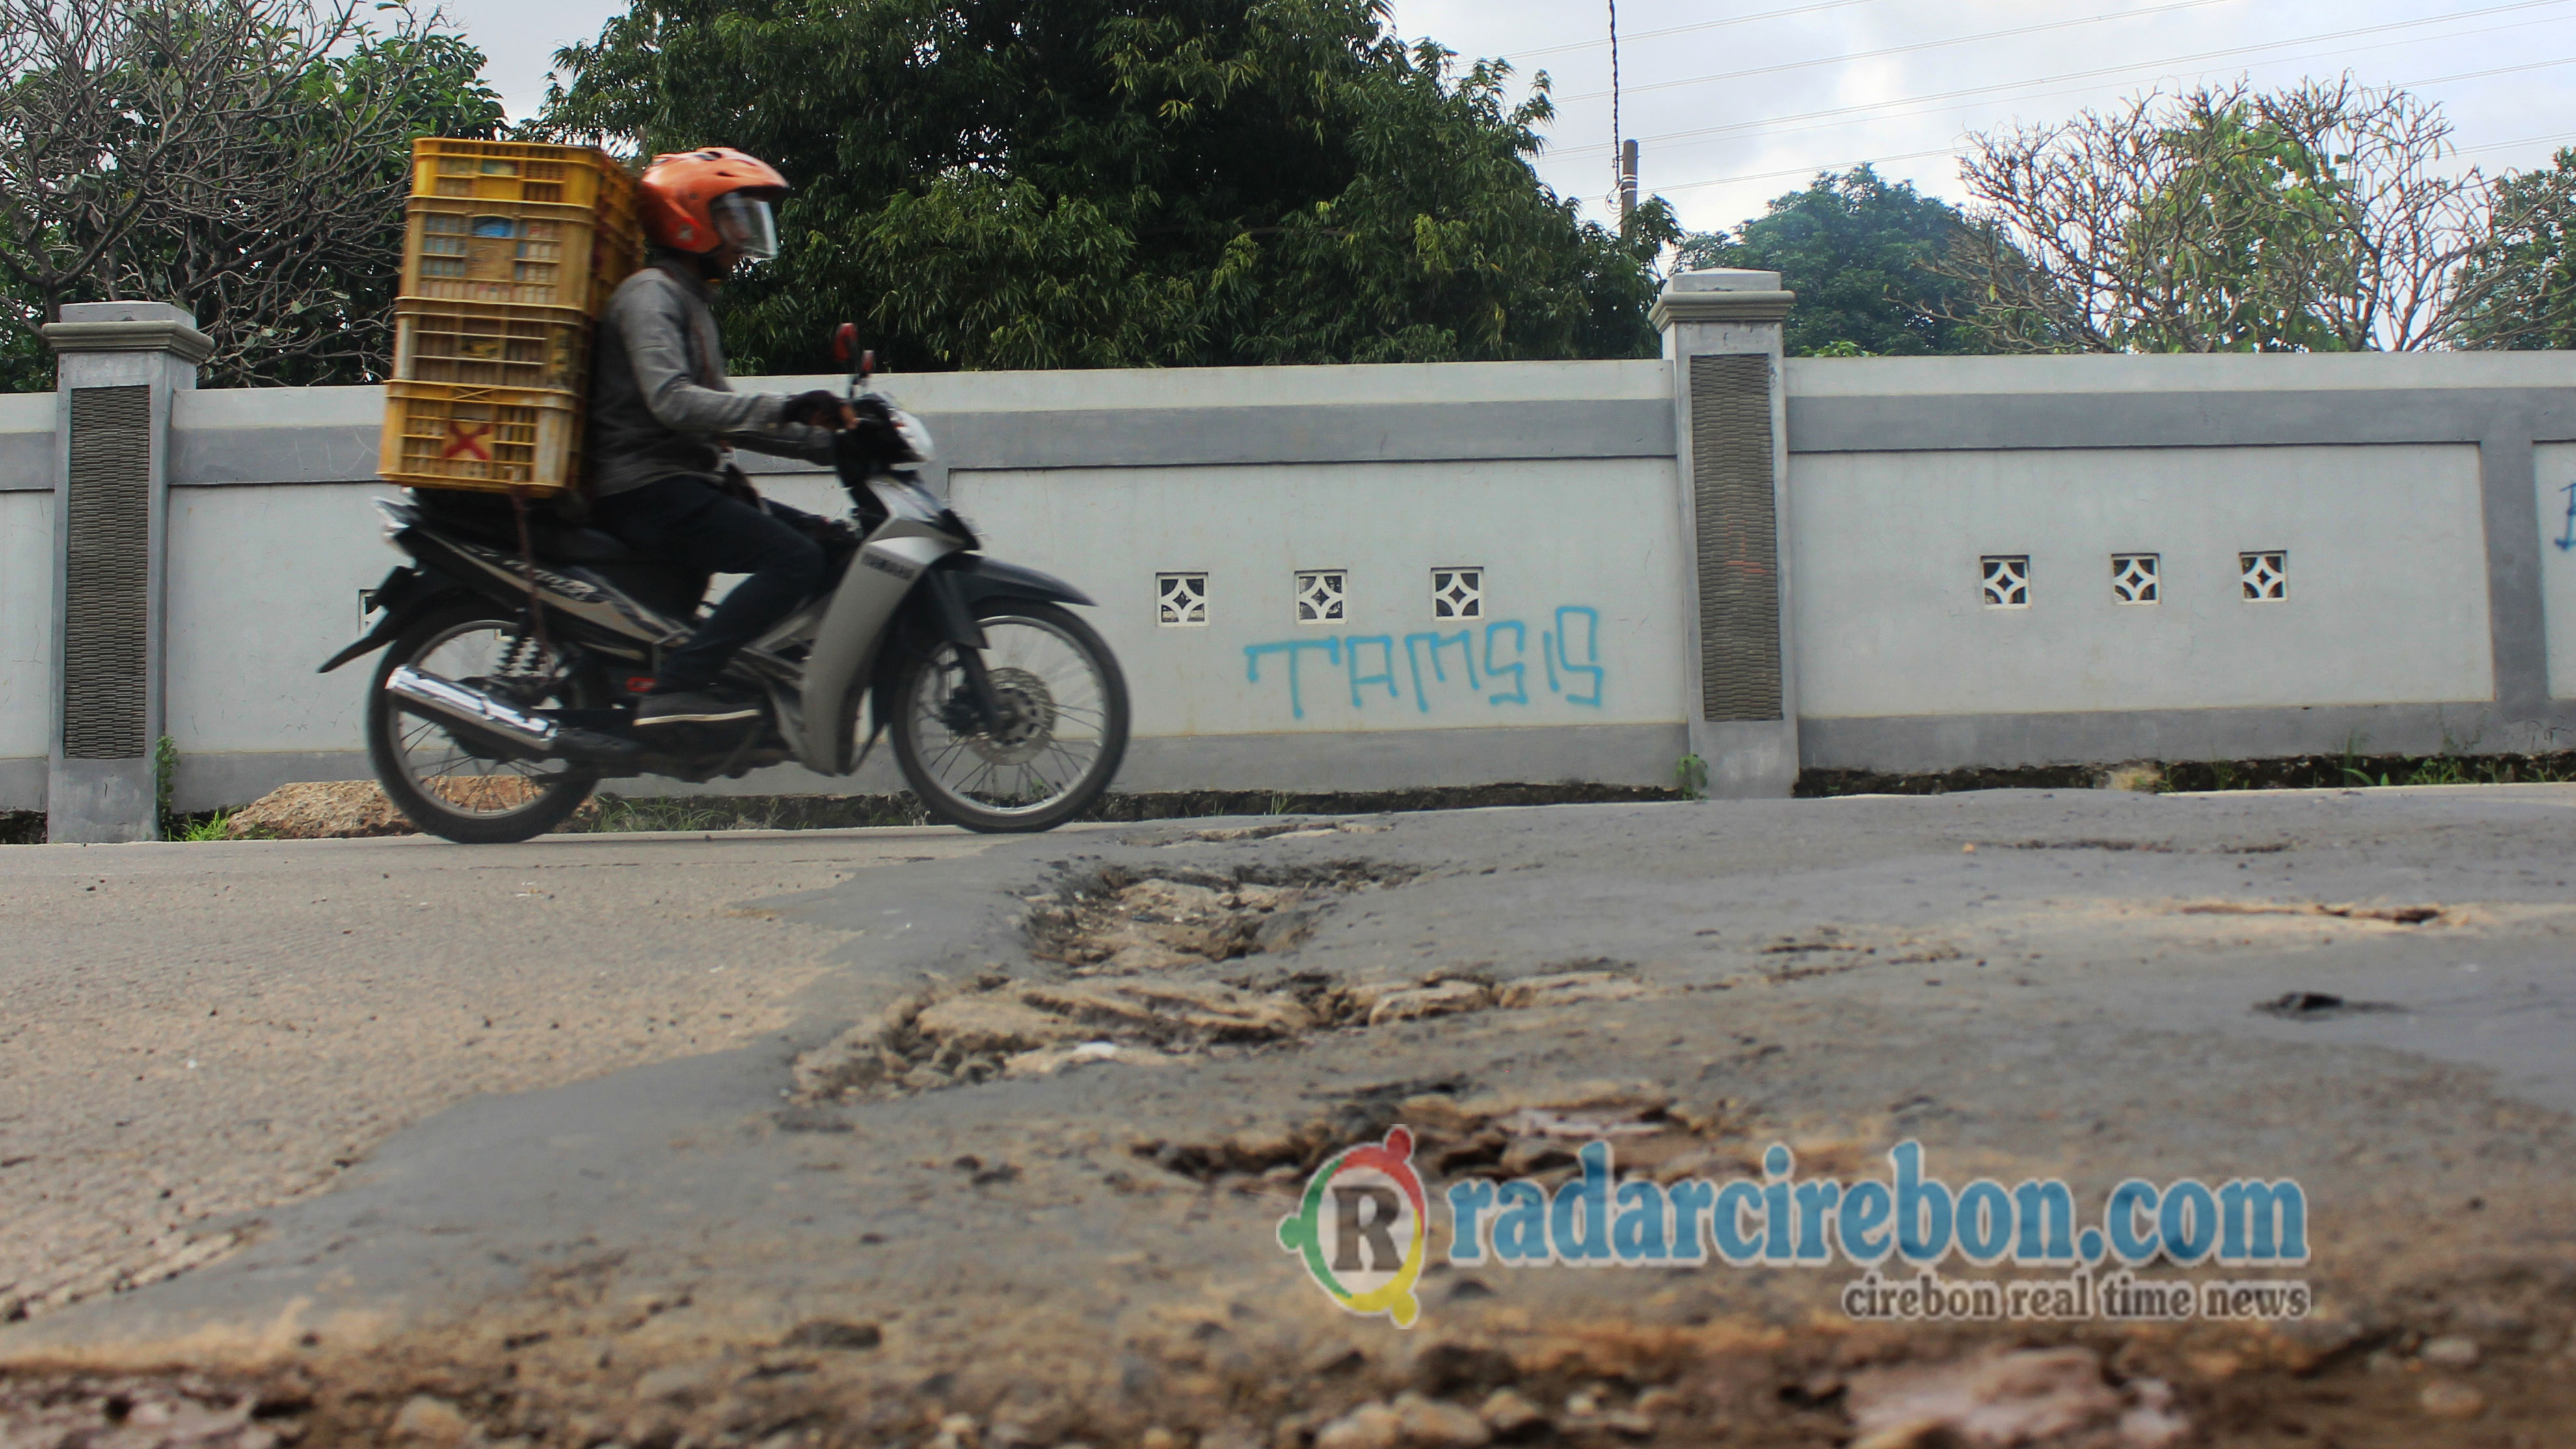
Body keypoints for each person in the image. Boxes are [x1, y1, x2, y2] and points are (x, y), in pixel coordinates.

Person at [586, 146, 855, 727]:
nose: (744, 237)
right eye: (736, 218)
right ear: (691, 219)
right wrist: (791, 405)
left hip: (683, 482)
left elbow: (725, 415)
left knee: (834, 546)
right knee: (796, 561)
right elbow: (675, 402)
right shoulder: (649, 295)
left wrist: (833, 443)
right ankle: (681, 686)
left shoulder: (689, 300)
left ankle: (746, 675)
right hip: (645, 487)